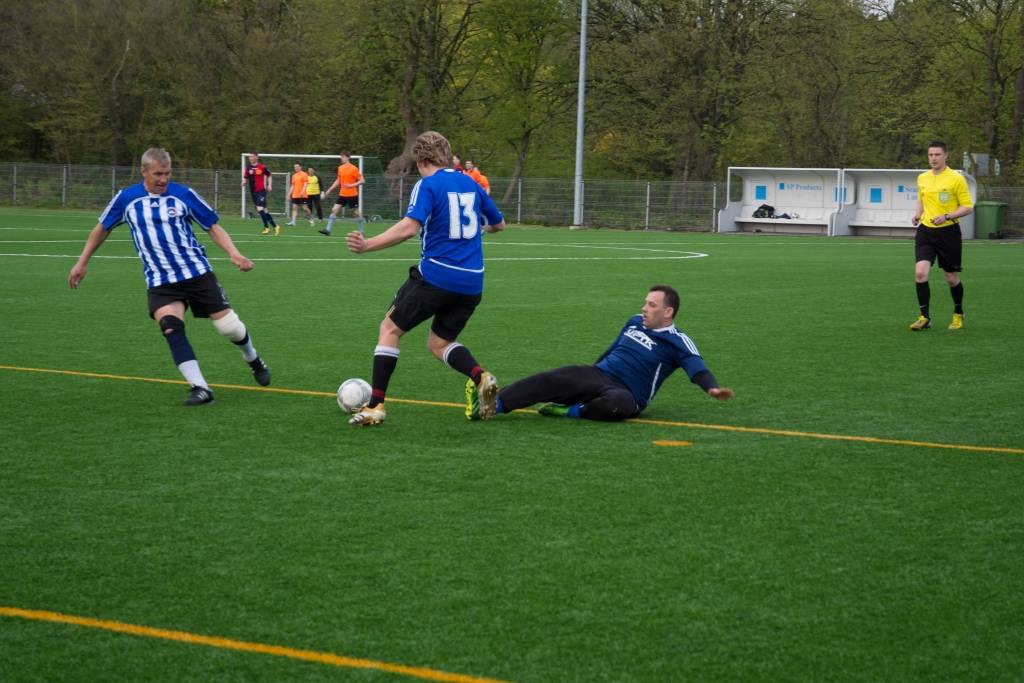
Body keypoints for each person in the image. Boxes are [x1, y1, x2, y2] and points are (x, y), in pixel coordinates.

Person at [68, 147, 271, 406]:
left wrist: (234, 253)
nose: (163, 179)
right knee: (170, 327)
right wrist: (82, 262)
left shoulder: (183, 195)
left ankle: (253, 359)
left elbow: (212, 226)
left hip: (196, 273)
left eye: (167, 173)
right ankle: (200, 388)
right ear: (144, 172)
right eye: (157, 174)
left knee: (228, 327)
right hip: (160, 280)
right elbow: (101, 229)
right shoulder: (126, 199)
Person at [344, 131, 506, 426]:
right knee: (440, 343)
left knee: (390, 329)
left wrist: (367, 245)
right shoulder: (469, 182)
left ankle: (376, 405)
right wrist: (485, 230)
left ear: (421, 160)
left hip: (436, 277)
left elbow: (408, 228)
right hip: (472, 283)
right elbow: (499, 223)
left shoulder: (428, 184)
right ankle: (480, 376)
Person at [466, 285, 733, 422]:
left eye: (651, 305)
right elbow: (612, 349)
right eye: (645, 303)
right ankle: (493, 405)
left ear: (668, 312)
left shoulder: (678, 341)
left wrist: (712, 388)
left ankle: (571, 412)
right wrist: (585, 378)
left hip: (628, 394)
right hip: (600, 375)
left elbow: (698, 369)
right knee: (554, 379)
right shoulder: (633, 321)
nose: (644, 308)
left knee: (616, 405)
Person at [909, 140, 974, 331]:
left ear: (946, 155)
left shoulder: (956, 178)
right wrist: (918, 215)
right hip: (926, 231)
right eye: (930, 155)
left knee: (951, 278)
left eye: (937, 155)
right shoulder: (923, 178)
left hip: (948, 232)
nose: (933, 159)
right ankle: (924, 317)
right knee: (920, 273)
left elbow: (967, 207)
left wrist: (947, 216)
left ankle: (958, 313)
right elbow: (921, 198)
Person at [320, 152, 365, 236]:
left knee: (356, 214)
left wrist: (351, 185)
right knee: (334, 210)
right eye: (341, 157)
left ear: (348, 158)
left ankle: (362, 231)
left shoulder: (353, 168)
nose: (341, 158)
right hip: (342, 194)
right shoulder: (340, 168)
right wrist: (330, 189)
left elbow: (362, 181)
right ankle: (328, 230)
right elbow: (338, 180)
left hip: (352, 195)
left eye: (343, 157)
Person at [242, 153, 279, 236]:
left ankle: (266, 227)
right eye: (250, 157)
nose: (250, 158)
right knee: (264, 211)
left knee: (259, 208)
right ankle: (275, 226)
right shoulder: (248, 168)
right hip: (253, 192)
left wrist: (269, 185)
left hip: (261, 191)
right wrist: (244, 182)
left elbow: (269, 175)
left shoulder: (262, 167)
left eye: (252, 156)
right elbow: (245, 177)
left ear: (256, 157)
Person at [287, 163, 312, 227]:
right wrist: (289, 194)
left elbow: (305, 184)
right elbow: (293, 185)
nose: (296, 168)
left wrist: (302, 191)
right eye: (295, 167)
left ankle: (310, 218)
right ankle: (293, 222)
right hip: (295, 195)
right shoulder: (294, 176)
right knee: (294, 208)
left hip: (303, 195)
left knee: (305, 208)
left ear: (301, 167)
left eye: (297, 167)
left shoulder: (304, 174)